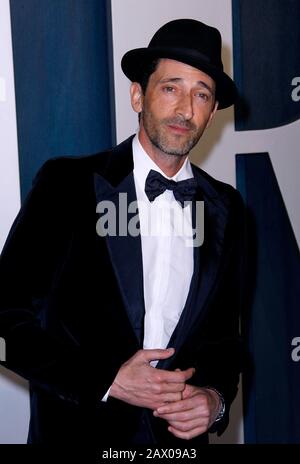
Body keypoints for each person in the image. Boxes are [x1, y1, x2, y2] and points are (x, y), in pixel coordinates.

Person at [0, 19, 245, 446]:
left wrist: (215, 400)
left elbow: (226, 341)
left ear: (212, 111)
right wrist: (107, 381)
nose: (186, 109)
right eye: (171, 87)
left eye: (201, 94)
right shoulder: (68, 185)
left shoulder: (225, 207)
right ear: (138, 95)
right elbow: (4, 321)